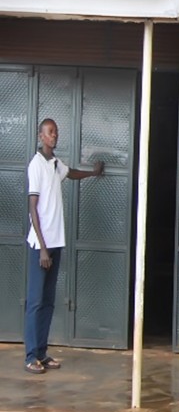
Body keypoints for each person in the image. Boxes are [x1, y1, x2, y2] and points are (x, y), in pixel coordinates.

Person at [24, 118, 103, 374]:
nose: (54, 135)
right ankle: (30, 356)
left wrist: (92, 173)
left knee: (48, 302)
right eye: (49, 132)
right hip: (41, 246)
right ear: (41, 136)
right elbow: (33, 208)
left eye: (56, 132)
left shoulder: (56, 164)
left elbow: (71, 173)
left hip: (55, 243)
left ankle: (42, 353)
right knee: (36, 301)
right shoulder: (36, 165)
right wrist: (43, 248)